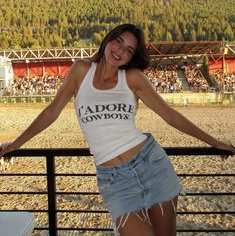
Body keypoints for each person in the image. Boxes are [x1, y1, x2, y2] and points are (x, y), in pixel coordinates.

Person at [0, 23, 234, 236]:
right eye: (118, 41)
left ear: (132, 56)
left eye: (129, 50)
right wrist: (16, 144)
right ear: (108, 40)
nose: (120, 51)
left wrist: (214, 142)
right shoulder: (81, 70)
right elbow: (51, 112)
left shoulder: (132, 78)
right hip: (114, 180)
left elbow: (170, 116)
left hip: (151, 164)